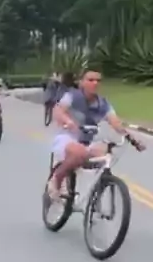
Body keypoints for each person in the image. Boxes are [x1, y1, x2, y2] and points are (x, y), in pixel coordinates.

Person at [48, 67, 144, 200]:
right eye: (91, 80)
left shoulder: (103, 104)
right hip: (67, 138)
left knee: (105, 154)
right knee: (79, 152)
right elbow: (58, 111)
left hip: (87, 142)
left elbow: (116, 123)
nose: (95, 83)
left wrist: (132, 139)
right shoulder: (72, 96)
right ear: (81, 82)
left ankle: (95, 193)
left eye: (98, 80)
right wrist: (68, 122)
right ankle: (57, 178)